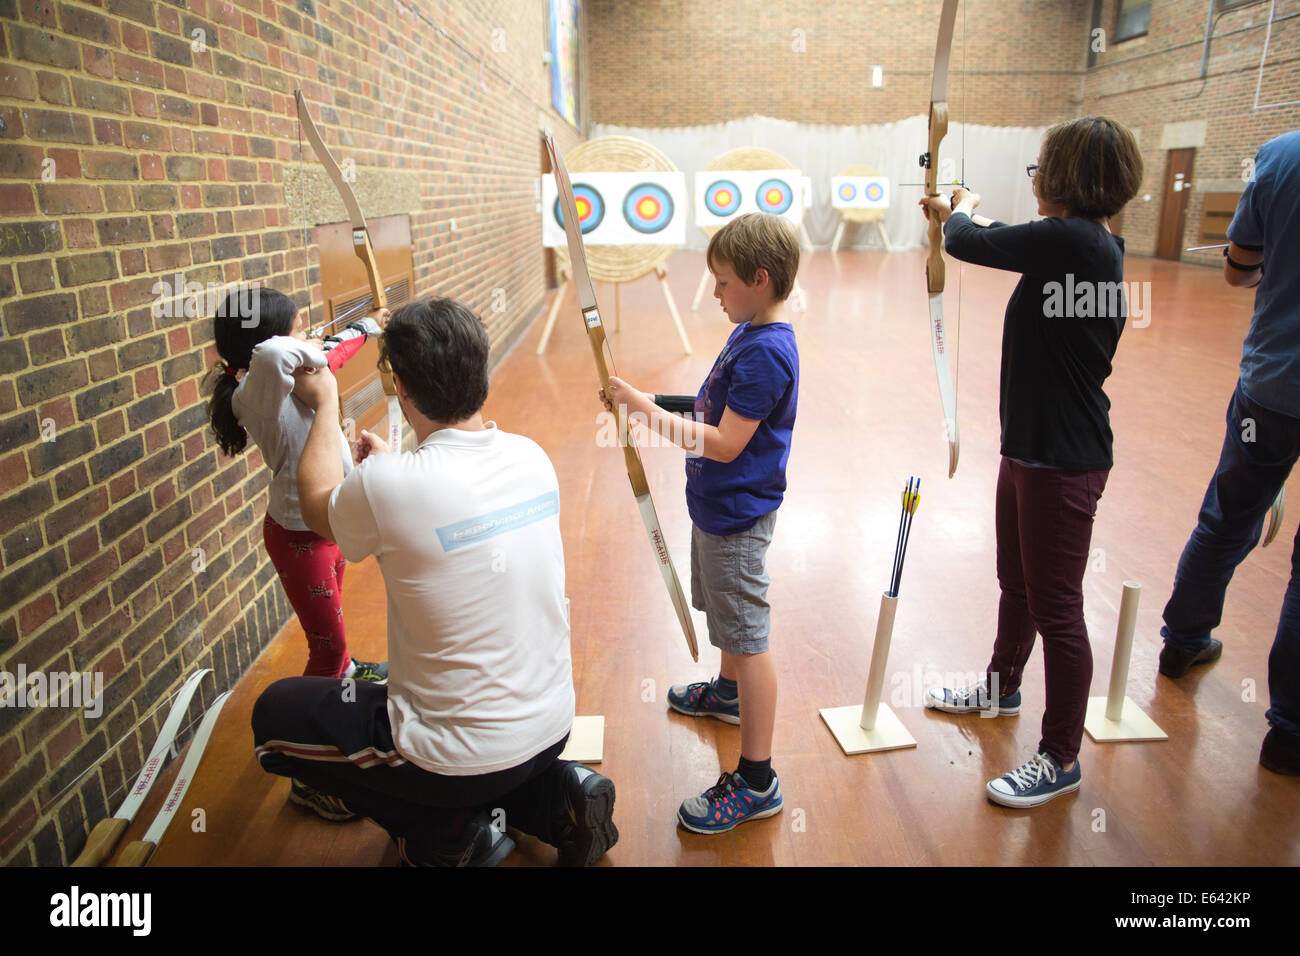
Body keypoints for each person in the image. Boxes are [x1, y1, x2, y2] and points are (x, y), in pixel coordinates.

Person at [251, 297, 618, 866]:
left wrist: (325, 403)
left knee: (274, 714)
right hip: (551, 729)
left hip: (453, 759)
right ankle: (554, 797)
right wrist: (388, 471)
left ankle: (445, 834)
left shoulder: (390, 485)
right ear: (482, 372)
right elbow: (442, 496)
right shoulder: (530, 456)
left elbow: (318, 504)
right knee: (454, 720)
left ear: (399, 386)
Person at [919, 116, 1144, 807]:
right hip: (1030, 451)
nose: (1037, 178)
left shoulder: (1076, 243)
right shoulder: (1084, 245)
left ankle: (1060, 757)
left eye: (1041, 167)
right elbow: (985, 235)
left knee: (1058, 609)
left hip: (1062, 461)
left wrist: (955, 211)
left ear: (1067, 177)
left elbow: (967, 241)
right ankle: (1001, 688)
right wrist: (965, 208)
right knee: (1015, 584)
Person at [602, 212, 800, 833]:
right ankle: (727, 694)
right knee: (724, 616)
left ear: (759, 280)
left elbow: (722, 443)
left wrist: (638, 409)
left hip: (738, 515)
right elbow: (710, 405)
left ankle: (757, 779)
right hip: (718, 509)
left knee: (747, 635)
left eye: (722, 283)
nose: (715, 294)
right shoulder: (750, 331)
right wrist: (647, 401)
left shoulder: (768, 350)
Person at [207, 288, 390, 816]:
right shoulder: (257, 389)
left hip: (323, 525)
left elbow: (324, 357)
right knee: (324, 648)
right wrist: (313, 343)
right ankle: (305, 770)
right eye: (297, 327)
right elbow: (278, 353)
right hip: (298, 537)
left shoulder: (288, 371)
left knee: (331, 621)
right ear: (263, 340)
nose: (305, 336)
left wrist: (368, 327)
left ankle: (347, 671)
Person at [1157, 129, 1300, 776]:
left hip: (1272, 388)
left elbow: (1240, 269)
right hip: (1271, 383)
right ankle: (1290, 734)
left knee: (1226, 517)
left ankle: (1183, 641)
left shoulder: (1282, 154)